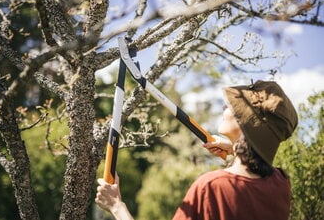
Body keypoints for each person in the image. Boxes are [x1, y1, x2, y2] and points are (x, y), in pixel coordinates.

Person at [95, 80, 298, 220]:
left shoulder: (211, 187)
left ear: (245, 124)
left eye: (231, 107)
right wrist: (236, 148)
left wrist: (116, 207)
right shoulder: (280, 184)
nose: (223, 108)